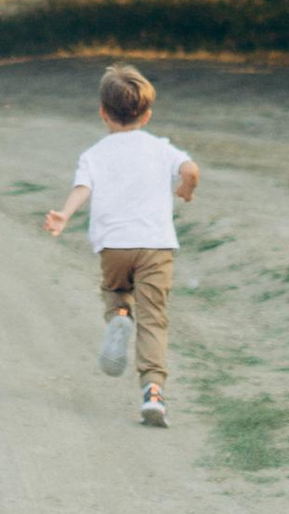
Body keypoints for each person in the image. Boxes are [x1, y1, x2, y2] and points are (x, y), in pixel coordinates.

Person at [42, 64, 198, 429]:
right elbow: (190, 170)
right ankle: (154, 394)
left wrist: (64, 215)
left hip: (114, 246)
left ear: (102, 113)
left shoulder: (95, 154)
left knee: (116, 292)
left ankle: (119, 317)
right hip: (156, 246)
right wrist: (186, 190)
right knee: (155, 320)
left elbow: (83, 188)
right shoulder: (161, 149)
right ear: (147, 115)